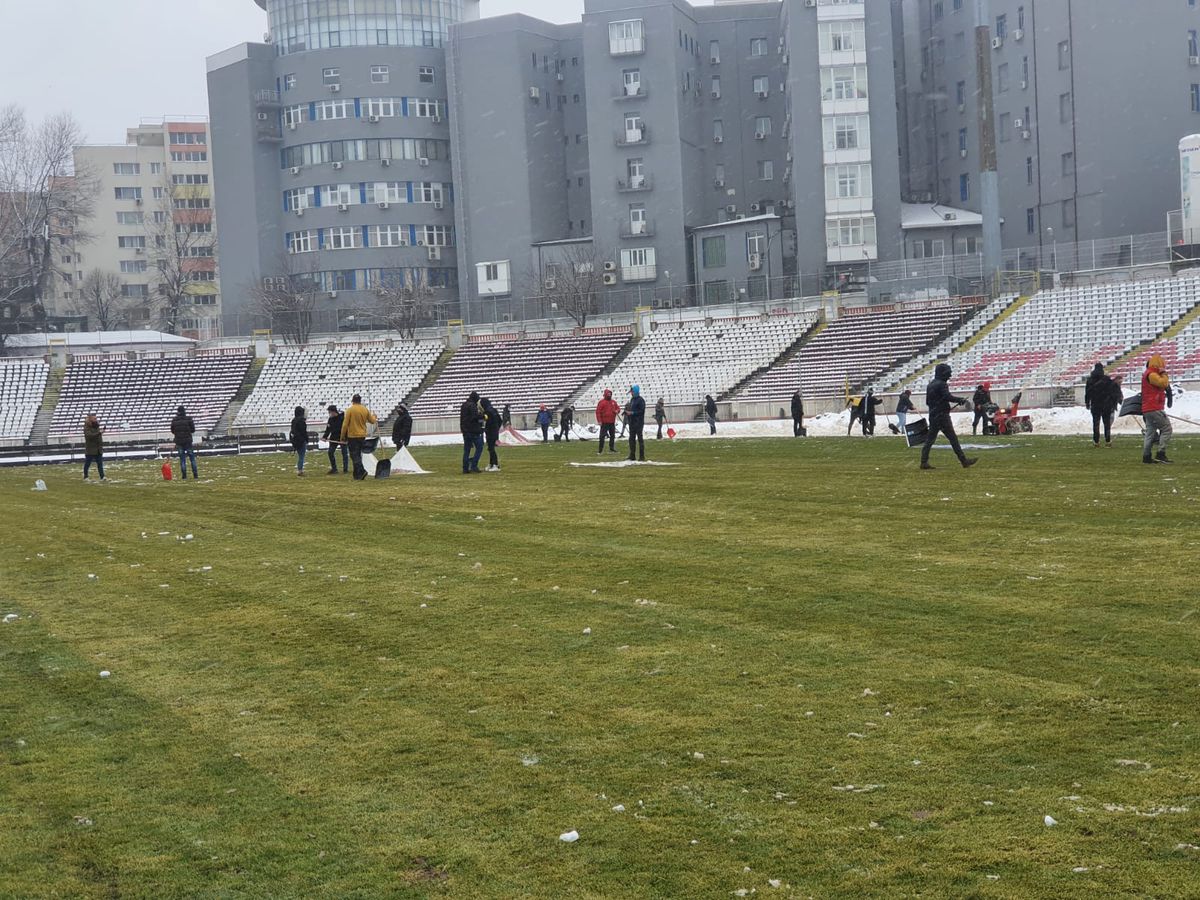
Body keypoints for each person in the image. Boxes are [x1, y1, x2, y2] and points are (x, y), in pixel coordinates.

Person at [920, 364, 978, 470]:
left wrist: (937, 406)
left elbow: (928, 402)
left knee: (929, 440)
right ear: (943, 373)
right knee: (953, 439)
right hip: (942, 416)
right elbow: (947, 397)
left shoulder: (930, 385)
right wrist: (959, 400)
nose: (949, 375)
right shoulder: (942, 384)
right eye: (948, 373)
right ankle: (964, 461)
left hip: (933, 415)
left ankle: (924, 462)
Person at [1141, 354, 1173, 464]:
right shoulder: (1152, 374)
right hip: (1154, 407)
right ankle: (1161, 453)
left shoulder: (1147, 374)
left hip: (1148, 408)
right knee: (1167, 429)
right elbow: (1163, 383)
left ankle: (1146, 456)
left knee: (1150, 433)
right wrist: (1164, 373)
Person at [340, 393, 378, 481]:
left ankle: (362, 471)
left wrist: (342, 436)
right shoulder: (365, 409)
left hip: (352, 436)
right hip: (362, 435)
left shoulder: (350, 410)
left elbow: (345, 425)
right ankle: (357, 475)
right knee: (358, 455)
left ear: (352, 401)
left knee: (354, 455)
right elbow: (372, 421)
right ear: (360, 401)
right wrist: (374, 417)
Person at [1084, 363, 1122, 448]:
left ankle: (1096, 441)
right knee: (1107, 424)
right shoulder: (1107, 379)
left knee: (1096, 423)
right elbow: (1112, 391)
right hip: (1106, 404)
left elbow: (1087, 393)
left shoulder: (1090, 380)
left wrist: (1087, 402)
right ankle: (1107, 440)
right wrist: (1115, 401)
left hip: (1095, 404)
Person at [460, 390, 486, 473]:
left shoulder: (463, 405)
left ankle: (465, 468)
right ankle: (474, 465)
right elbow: (475, 417)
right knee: (479, 448)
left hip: (465, 431)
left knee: (466, 450)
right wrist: (483, 416)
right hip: (473, 431)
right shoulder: (473, 406)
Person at [171, 405, 198, 480]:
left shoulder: (174, 420)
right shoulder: (189, 419)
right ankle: (195, 475)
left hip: (179, 442)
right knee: (192, 458)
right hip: (188, 441)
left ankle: (184, 476)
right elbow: (193, 430)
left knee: (182, 459)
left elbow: (173, 430)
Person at [323, 404, 349, 474]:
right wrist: (324, 437)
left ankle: (345, 469)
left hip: (342, 438)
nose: (329, 414)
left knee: (344, 453)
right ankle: (334, 469)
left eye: (330, 412)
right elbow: (328, 429)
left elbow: (346, 428)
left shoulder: (342, 418)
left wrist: (346, 437)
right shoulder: (330, 419)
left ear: (334, 412)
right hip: (334, 438)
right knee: (330, 452)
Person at [595, 388, 620, 454]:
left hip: (612, 422)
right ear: (605, 394)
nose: (609, 395)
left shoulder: (613, 402)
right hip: (604, 422)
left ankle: (611, 448)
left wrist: (617, 411)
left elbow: (618, 408)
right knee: (602, 437)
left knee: (612, 436)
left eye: (610, 394)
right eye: (608, 394)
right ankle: (600, 450)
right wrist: (599, 421)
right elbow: (598, 412)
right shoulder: (601, 402)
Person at [481, 395, 502, 471]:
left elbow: (488, 422)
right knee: (490, 448)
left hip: (490, 432)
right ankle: (491, 463)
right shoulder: (494, 410)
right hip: (494, 431)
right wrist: (496, 428)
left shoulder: (487, 411)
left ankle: (495, 465)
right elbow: (500, 420)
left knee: (491, 448)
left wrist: (488, 429)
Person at [83, 413, 105, 481]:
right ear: (90, 419)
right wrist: (99, 433)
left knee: (100, 465)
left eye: (96, 418)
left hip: (98, 449)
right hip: (91, 449)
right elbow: (89, 436)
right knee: (87, 464)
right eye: (94, 418)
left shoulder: (97, 426)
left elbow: (97, 436)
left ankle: (102, 477)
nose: (96, 419)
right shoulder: (86, 427)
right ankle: (86, 476)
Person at [627, 385, 646, 462]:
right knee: (631, 439)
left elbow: (641, 411)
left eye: (632, 392)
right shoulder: (632, 400)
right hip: (632, 422)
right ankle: (632, 455)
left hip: (638, 423)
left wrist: (632, 413)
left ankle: (642, 456)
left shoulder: (641, 400)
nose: (631, 393)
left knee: (640, 439)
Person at [289, 406, 308, 476]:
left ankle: (300, 469)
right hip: (301, 440)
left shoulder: (294, 420)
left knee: (300, 455)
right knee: (301, 456)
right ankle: (300, 470)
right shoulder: (301, 421)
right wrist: (306, 439)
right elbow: (303, 432)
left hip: (296, 440)